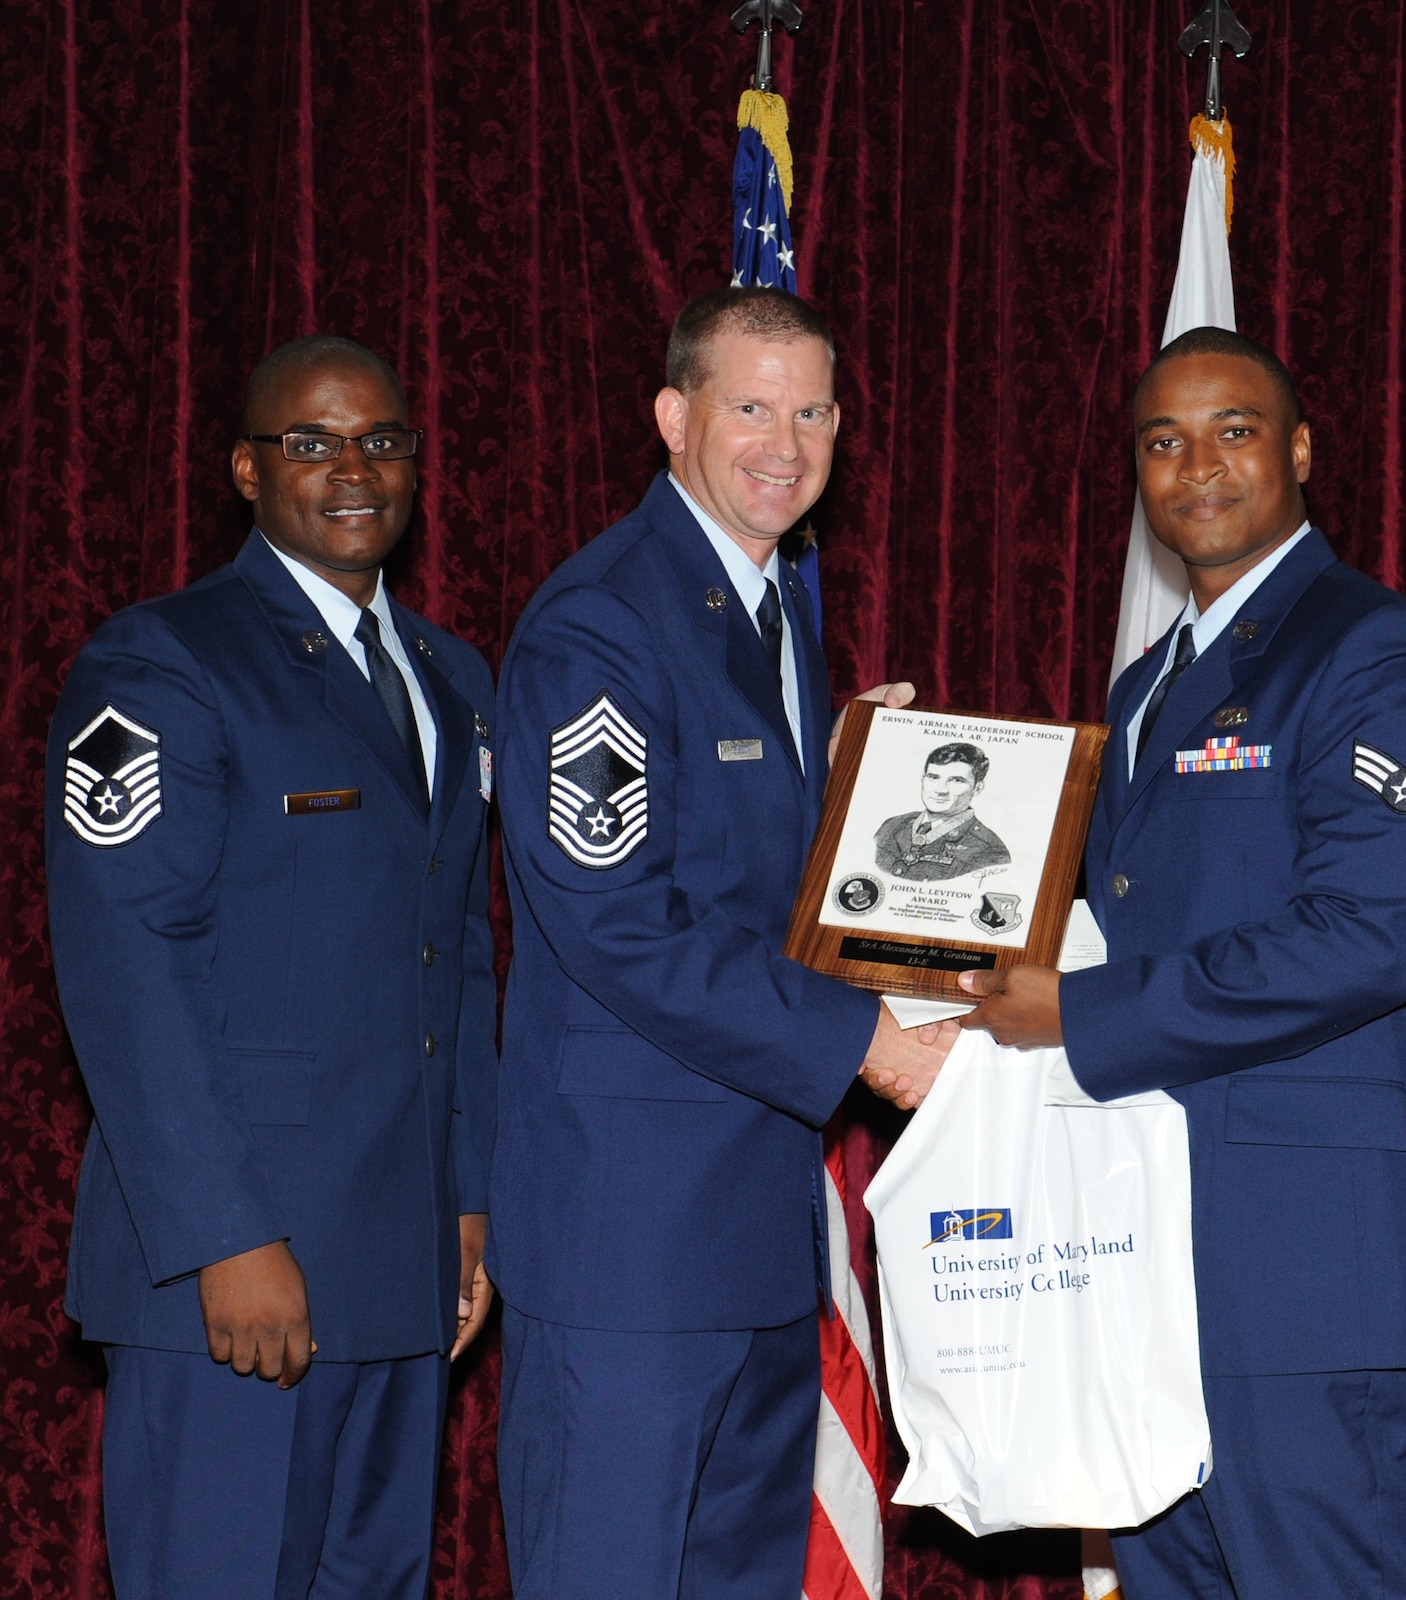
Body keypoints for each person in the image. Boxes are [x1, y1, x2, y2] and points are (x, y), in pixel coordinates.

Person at [960, 326, 1406, 1598]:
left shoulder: (1377, 652)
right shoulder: (1143, 685)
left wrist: (1076, 1015)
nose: (1197, 466)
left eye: (1233, 430)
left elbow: (1367, 936)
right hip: (1145, 1272)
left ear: (1299, 451)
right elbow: (1106, 917)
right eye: (1161, 441)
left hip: (1312, 1281)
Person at [489, 286, 951, 1600]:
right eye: (750, 406)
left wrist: (850, 785)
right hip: (628, 1245)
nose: (784, 443)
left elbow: (738, 854)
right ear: (674, 415)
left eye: (811, 412)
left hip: (753, 1238)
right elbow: (622, 922)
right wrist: (868, 1037)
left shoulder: (774, 607)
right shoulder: (603, 621)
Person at [45, 335, 500, 1599]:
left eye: (383, 440)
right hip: (237, 1282)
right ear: (247, 469)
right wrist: (224, 1238)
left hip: (400, 1267)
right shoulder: (159, 662)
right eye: (311, 441)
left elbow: (456, 954)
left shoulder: (454, 681)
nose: (354, 468)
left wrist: (465, 1201)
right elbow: (127, 962)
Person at [873, 740, 1012, 880]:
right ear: (923, 779)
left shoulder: (989, 851)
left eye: (956, 780)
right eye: (933, 777)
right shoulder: (892, 826)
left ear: (977, 788)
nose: (940, 790)